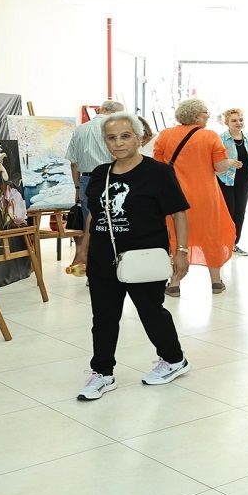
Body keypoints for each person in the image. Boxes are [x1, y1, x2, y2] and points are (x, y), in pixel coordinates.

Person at [71, 113, 191, 400]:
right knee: (103, 317)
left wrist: (182, 251)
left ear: (139, 138)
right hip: (103, 257)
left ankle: (174, 359)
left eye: (125, 136)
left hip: (143, 256)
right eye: (111, 138)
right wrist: (82, 251)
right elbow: (94, 216)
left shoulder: (158, 172)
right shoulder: (100, 173)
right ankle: (102, 372)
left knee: (150, 311)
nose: (118, 143)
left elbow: (178, 213)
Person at [153, 98, 239, 296]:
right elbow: (219, 167)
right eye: (206, 112)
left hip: (174, 196)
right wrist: (228, 162)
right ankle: (216, 282)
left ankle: (174, 283)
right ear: (197, 116)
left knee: (176, 236)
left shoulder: (165, 135)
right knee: (211, 235)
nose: (208, 116)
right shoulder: (210, 136)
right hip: (205, 196)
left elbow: (157, 166)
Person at [66, 99, 125, 222]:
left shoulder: (79, 129)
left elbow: (73, 163)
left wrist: (77, 188)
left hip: (85, 181)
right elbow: (120, 157)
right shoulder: (114, 130)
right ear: (116, 114)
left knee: (88, 224)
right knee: (110, 222)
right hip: (109, 179)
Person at [217, 108, 248, 257]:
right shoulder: (220, 139)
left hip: (245, 179)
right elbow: (216, 160)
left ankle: (234, 244)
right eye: (234, 120)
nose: (238, 123)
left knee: (240, 212)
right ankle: (224, 243)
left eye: (240, 120)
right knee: (228, 211)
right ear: (227, 122)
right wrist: (229, 162)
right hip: (225, 179)